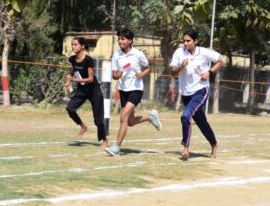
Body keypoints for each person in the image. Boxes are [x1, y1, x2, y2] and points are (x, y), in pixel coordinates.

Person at [169, 29, 225, 160]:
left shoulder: (203, 52)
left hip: (201, 90)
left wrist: (209, 73)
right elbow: (172, 72)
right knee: (201, 122)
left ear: (195, 41)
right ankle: (214, 144)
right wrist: (181, 66)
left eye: (188, 41)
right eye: (184, 41)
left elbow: (221, 61)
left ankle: (185, 148)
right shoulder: (179, 53)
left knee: (185, 116)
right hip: (186, 93)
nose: (185, 43)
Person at [105, 28, 162, 156]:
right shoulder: (116, 55)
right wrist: (116, 76)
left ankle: (116, 147)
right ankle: (150, 117)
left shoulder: (138, 54)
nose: (120, 41)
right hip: (123, 90)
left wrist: (141, 74)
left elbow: (148, 68)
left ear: (130, 40)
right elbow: (114, 75)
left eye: (123, 39)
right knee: (130, 122)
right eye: (119, 39)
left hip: (136, 89)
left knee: (123, 116)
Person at [64, 37, 109, 148]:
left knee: (98, 119)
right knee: (70, 108)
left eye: (75, 44)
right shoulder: (72, 59)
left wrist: (74, 80)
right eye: (72, 44)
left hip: (94, 90)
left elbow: (90, 79)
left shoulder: (89, 60)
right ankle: (83, 126)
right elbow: (71, 72)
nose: (73, 46)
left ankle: (105, 140)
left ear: (82, 46)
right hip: (82, 90)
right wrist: (68, 81)